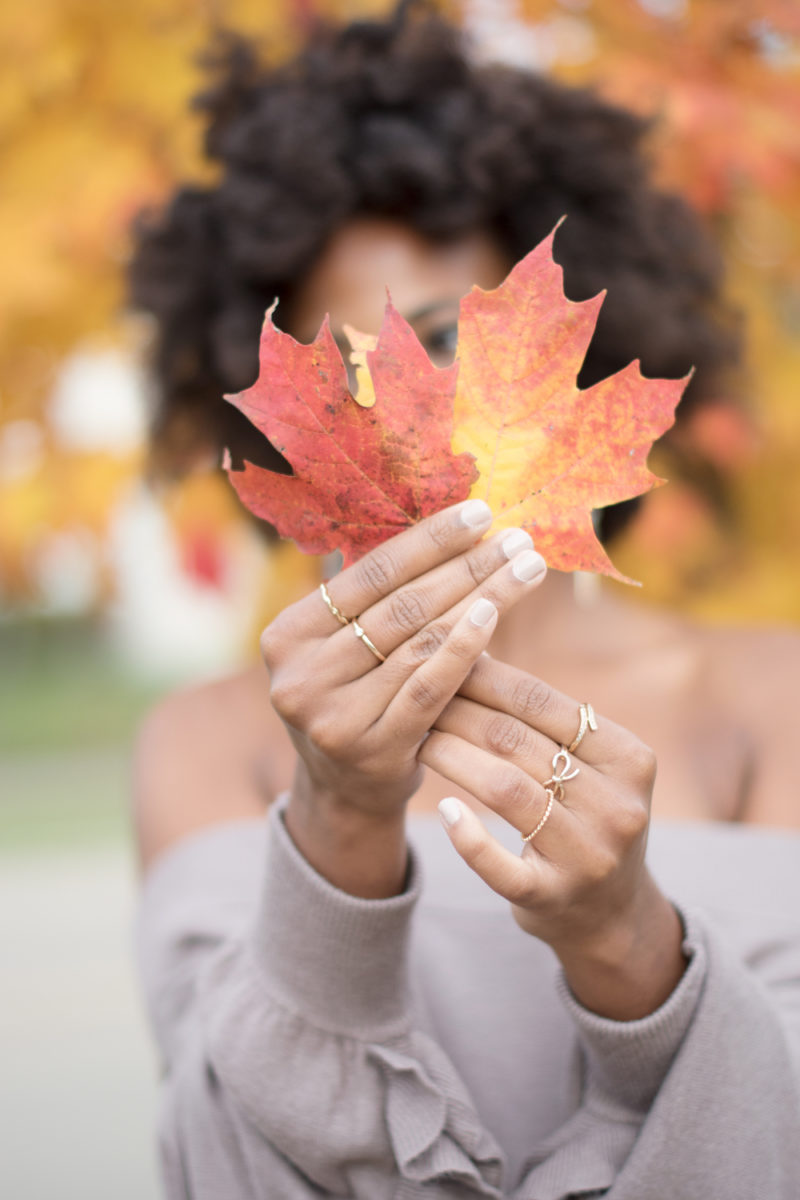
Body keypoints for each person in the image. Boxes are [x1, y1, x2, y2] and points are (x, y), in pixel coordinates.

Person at [129, 5, 800, 1197]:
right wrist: (335, 826)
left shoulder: (765, 695)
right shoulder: (212, 745)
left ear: (573, 362)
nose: (406, 405)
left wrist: (624, 948)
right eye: (343, 366)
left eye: (444, 338)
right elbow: (229, 1157)